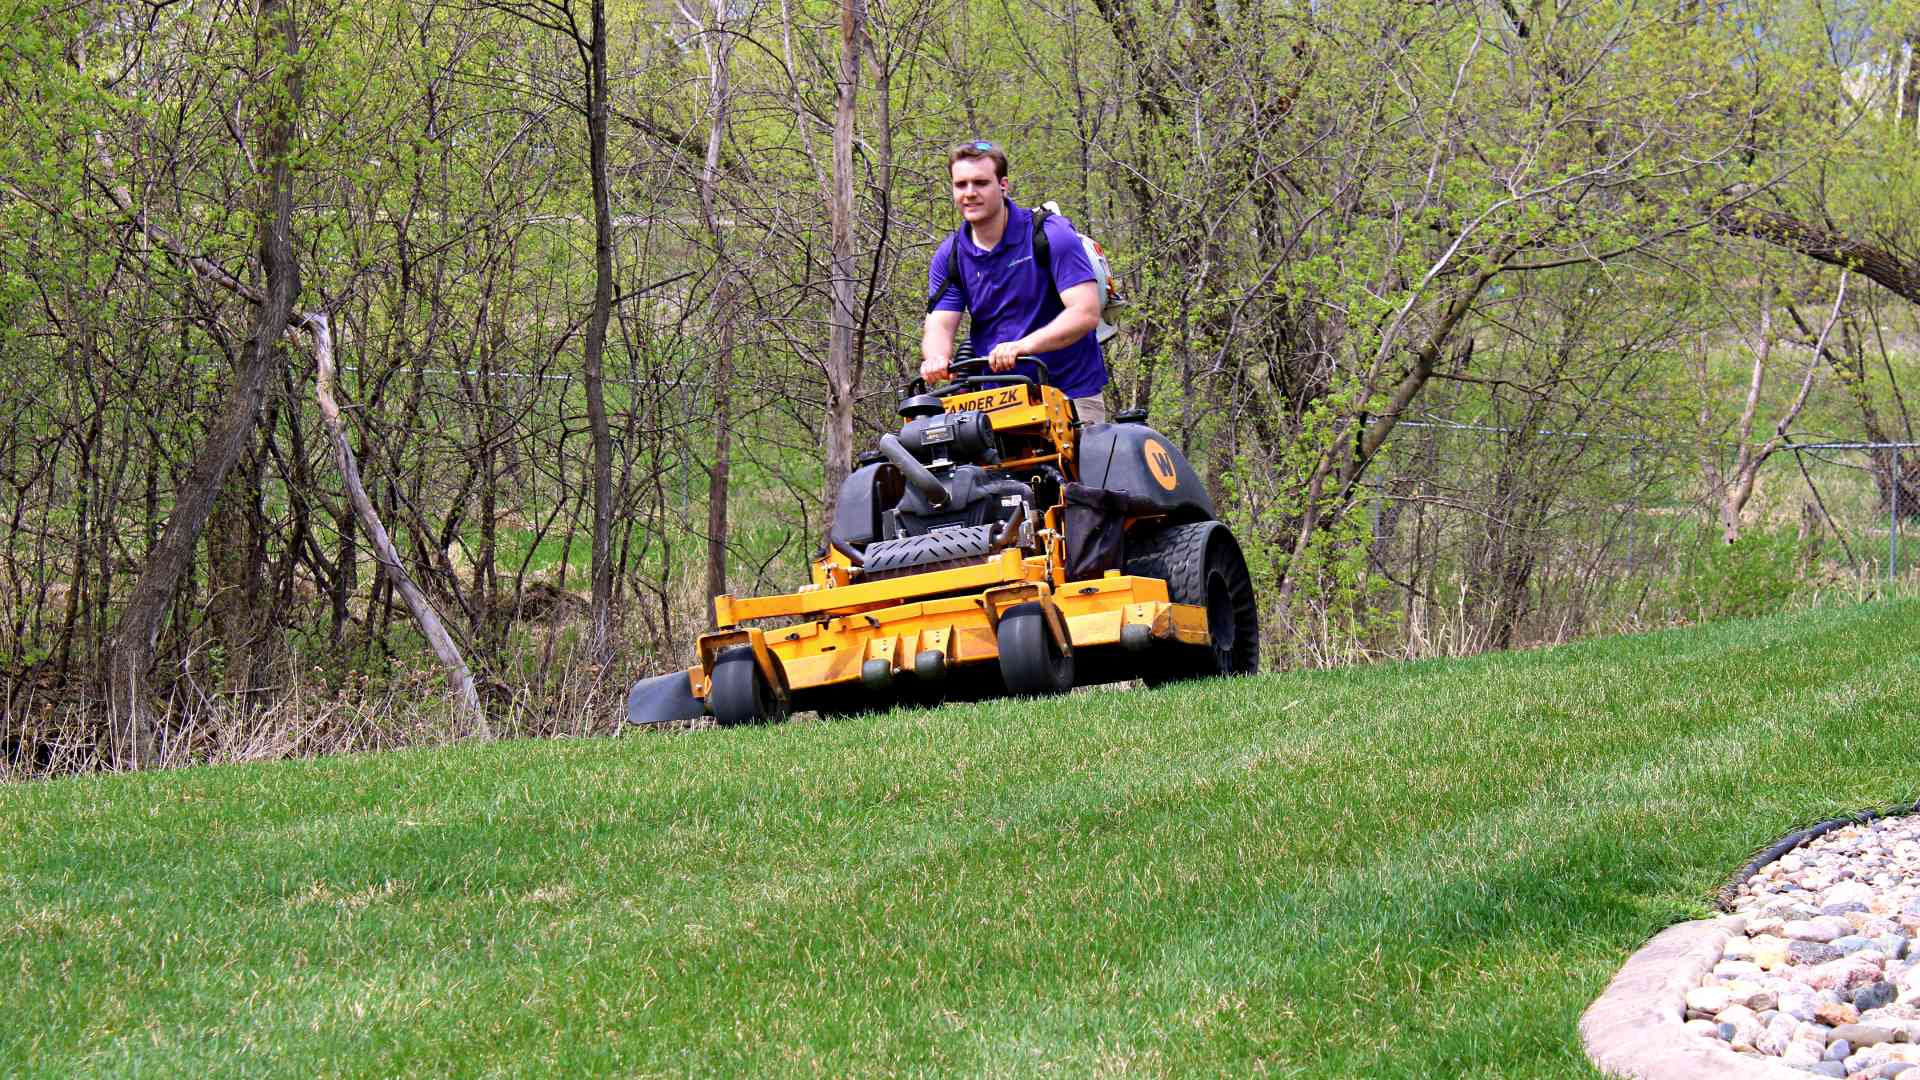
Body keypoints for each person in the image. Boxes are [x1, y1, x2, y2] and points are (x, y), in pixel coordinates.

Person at [919, 141, 1109, 423]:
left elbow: (1085, 313)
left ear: (1003, 185)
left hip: (1070, 394)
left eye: (981, 183)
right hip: (998, 402)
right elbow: (940, 324)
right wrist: (935, 358)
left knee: (1089, 466)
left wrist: (1022, 346)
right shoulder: (951, 255)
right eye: (961, 185)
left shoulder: (1049, 234)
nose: (970, 193)